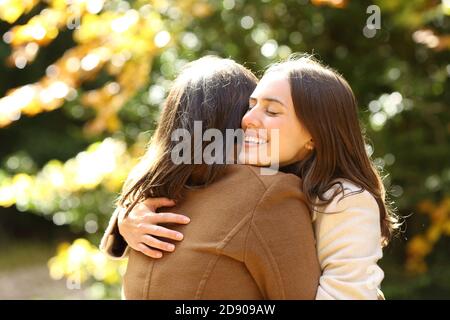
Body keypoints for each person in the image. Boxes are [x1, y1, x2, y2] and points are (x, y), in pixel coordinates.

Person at [102, 54, 399, 299]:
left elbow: (350, 292)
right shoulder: (271, 177)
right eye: (251, 106)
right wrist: (127, 213)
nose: (247, 120)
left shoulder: (345, 199)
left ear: (313, 136)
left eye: (271, 111)